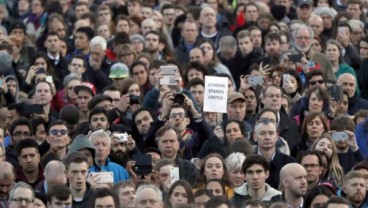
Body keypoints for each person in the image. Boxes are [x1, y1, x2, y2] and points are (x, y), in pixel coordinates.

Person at [254, 117, 296, 189]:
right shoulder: (247, 162)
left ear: (276, 136)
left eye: (271, 133)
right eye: (262, 133)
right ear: (255, 137)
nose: (267, 137)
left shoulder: (290, 163)